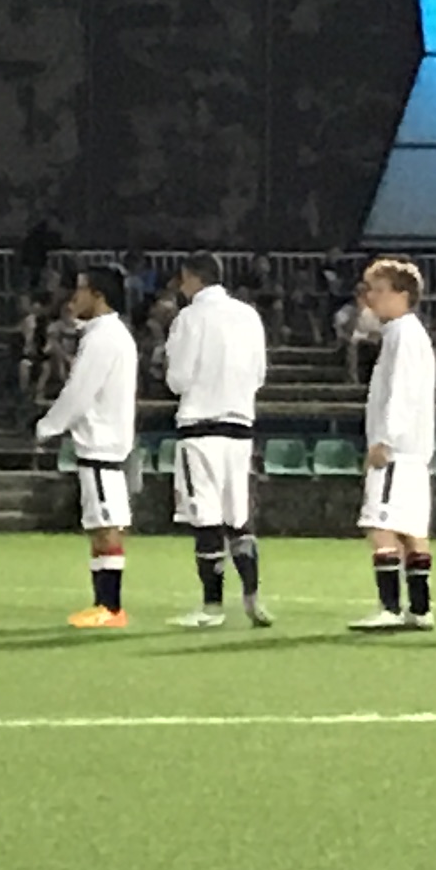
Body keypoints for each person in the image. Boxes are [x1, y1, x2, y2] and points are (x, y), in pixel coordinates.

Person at [161, 255, 270, 629]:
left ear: (192, 278)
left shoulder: (190, 318)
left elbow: (177, 379)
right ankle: (252, 595)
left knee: (205, 516)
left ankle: (212, 606)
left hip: (200, 427)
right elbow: (259, 374)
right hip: (239, 427)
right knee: (238, 515)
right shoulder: (249, 316)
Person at [36, 263, 140, 627]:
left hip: (101, 444)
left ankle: (110, 606)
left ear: (98, 295)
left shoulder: (103, 338)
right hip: (106, 443)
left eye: (81, 289)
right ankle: (104, 604)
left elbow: (79, 392)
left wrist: (47, 426)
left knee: (106, 522)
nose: (74, 297)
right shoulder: (108, 335)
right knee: (101, 522)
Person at [351, 256, 436, 631]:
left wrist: (384, 440)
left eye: (379, 290)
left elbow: (399, 393)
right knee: (413, 530)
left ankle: (389, 607)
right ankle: (420, 608)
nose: (371, 297)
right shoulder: (408, 333)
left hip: (397, 452)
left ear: (402, 295)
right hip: (414, 452)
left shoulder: (402, 335)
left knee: (380, 524)